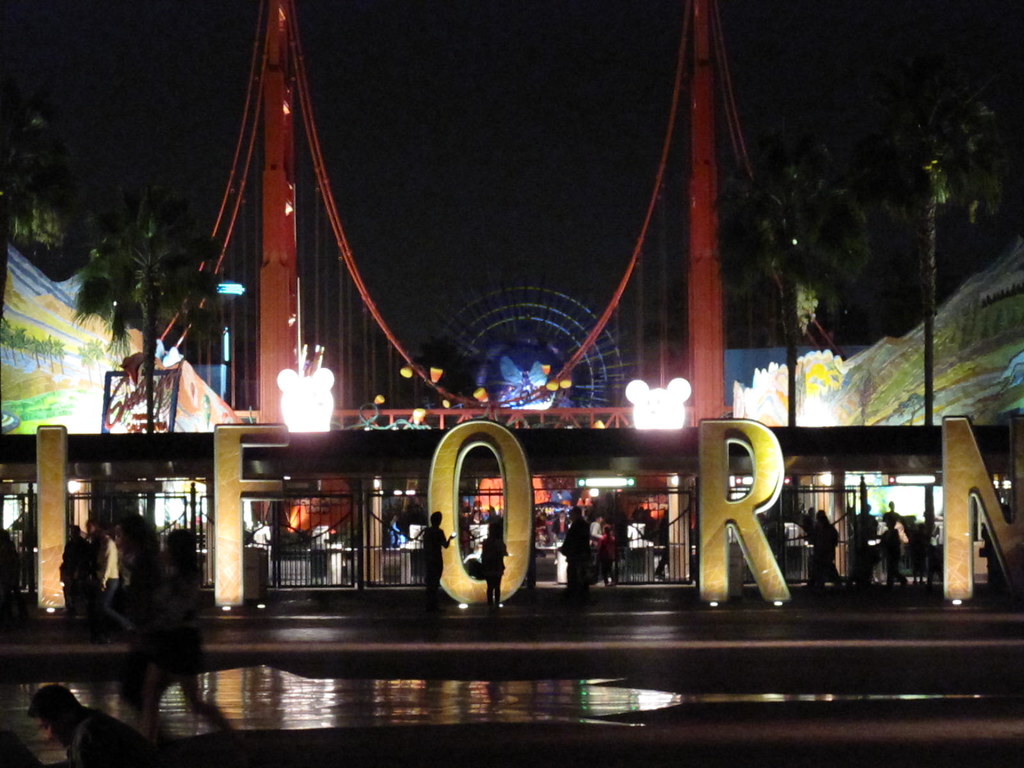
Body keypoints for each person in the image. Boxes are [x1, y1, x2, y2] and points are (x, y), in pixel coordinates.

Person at [139, 529, 235, 744]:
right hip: (174, 639)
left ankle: (234, 737)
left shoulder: (183, 579)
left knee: (188, 700)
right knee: (151, 693)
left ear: (176, 550)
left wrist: (153, 624)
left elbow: (176, 611)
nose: (164, 551)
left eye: (167, 546)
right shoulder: (177, 576)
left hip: (179, 640)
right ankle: (148, 743)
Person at [27, 684, 158, 768]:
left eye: (47, 726)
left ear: (67, 716)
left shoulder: (89, 736)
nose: (48, 736)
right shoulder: (97, 725)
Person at [422, 511, 454, 611]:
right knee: (435, 582)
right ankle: (434, 605)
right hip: (437, 558)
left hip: (429, 558)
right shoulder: (439, 532)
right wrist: (450, 538)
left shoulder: (427, 532)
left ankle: (429, 604)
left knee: (430, 582)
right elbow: (445, 545)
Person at [559, 506, 592, 604]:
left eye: (571, 514)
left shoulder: (577, 525)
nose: (570, 516)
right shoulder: (584, 525)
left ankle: (574, 593)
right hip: (581, 554)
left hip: (576, 554)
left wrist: (565, 549)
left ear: (576, 514)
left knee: (574, 573)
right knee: (581, 574)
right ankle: (582, 593)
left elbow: (572, 539)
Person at [60, 525, 90, 618]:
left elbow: (83, 558)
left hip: (77, 570)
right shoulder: (72, 544)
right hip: (70, 569)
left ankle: (74, 607)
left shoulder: (80, 544)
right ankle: (70, 606)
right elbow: (65, 557)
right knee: (69, 588)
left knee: (75, 589)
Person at [809, 509, 842, 591]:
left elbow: (815, 538)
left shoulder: (821, 528)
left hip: (823, 550)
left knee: (823, 567)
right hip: (825, 550)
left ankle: (817, 583)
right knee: (825, 567)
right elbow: (834, 539)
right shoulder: (827, 528)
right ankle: (820, 583)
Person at [0, 528, 27, 626]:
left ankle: (8, 615)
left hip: (7, 574)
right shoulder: (9, 547)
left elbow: (7, 561)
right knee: (13, 594)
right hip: (9, 574)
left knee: (7, 595)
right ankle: (16, 614)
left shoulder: (6, 548)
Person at [480, 518, 508, 609]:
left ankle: (490, 604)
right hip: (497, 566)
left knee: (490, 587)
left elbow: (483, 555)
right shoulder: (499, 542)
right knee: (497, 586)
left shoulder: (486, 542)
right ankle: (496, 604)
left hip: (488, 566)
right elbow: (504, 553)